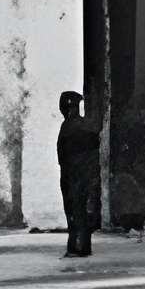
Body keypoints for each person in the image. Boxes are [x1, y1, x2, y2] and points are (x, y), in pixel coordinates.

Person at [56, 88, 101, 259]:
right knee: (77, 211)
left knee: (76, 211)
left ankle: (78, 246)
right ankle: (79, 246)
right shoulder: (82, 126)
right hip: (77, 174)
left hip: (74, 175)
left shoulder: (72, 126)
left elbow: (72, 154)